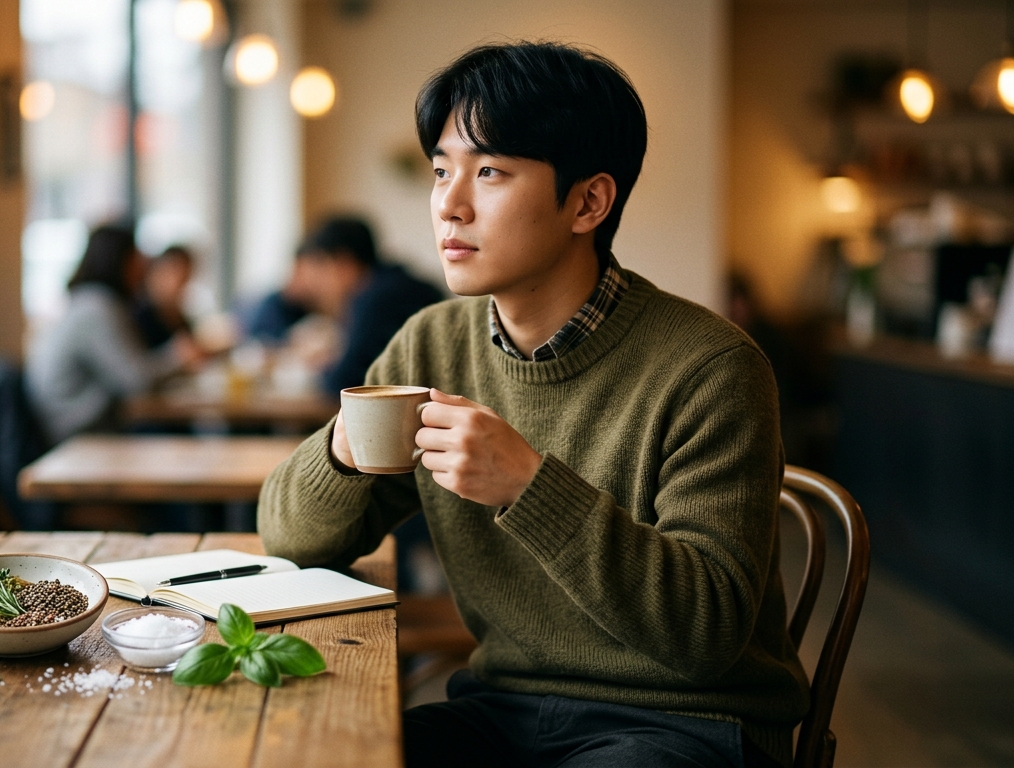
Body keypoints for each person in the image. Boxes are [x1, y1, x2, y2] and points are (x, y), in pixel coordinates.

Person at [258, 42, 805, 768]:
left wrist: (528, 485)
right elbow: (288, 539)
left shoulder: (713, 369)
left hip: (686, 726)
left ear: (588, 202)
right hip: (504, 714)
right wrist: (342, 453)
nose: (450, 205)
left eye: (489, 172)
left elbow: (705, 634)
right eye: (441, 171)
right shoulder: (431, 345)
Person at [26, 225, 201, 443]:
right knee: (174, 438)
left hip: (71, 423)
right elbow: (135, 381)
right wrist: (177, 357)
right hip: (77, 432)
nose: (142, 269)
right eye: (136, 260)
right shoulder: (97, 308)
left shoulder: (86, 301)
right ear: (120, 261)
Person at [282, 216, 443, 394]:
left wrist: (320, 366)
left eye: (322, 271)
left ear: (344, 263)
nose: (319, 286)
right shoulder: (400, 285)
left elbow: (346, 381)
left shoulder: (377, 299)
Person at [134, 245, 196, 349]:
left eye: (185, 278)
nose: (180, 286)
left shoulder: (177, 315)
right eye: (175, 274)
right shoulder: (139, 312)